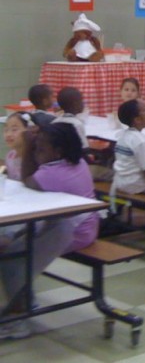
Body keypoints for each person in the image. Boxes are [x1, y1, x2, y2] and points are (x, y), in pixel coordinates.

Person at [1, 123, 99, 337]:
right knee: (6, 241)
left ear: (58, 151)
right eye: (36, 149)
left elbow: (28, 181)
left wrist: (27, 148)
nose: (36, 154)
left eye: (40, 150)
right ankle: (23, 301)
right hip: (62, 222)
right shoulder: (74, 161)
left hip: (74, 230)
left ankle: (18, 319)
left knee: (13, 260)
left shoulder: (54, 173)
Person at [112, 99, 145, 195]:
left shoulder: (122, 135)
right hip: (136, 186)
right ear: (137, 120)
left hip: (120, 182)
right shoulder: (141, 141)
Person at [2, 112, 34, 180]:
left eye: (14, 129)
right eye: (6, 130)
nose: (8, 134)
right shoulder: (10, 156)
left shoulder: (34, 156)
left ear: (28, 130)